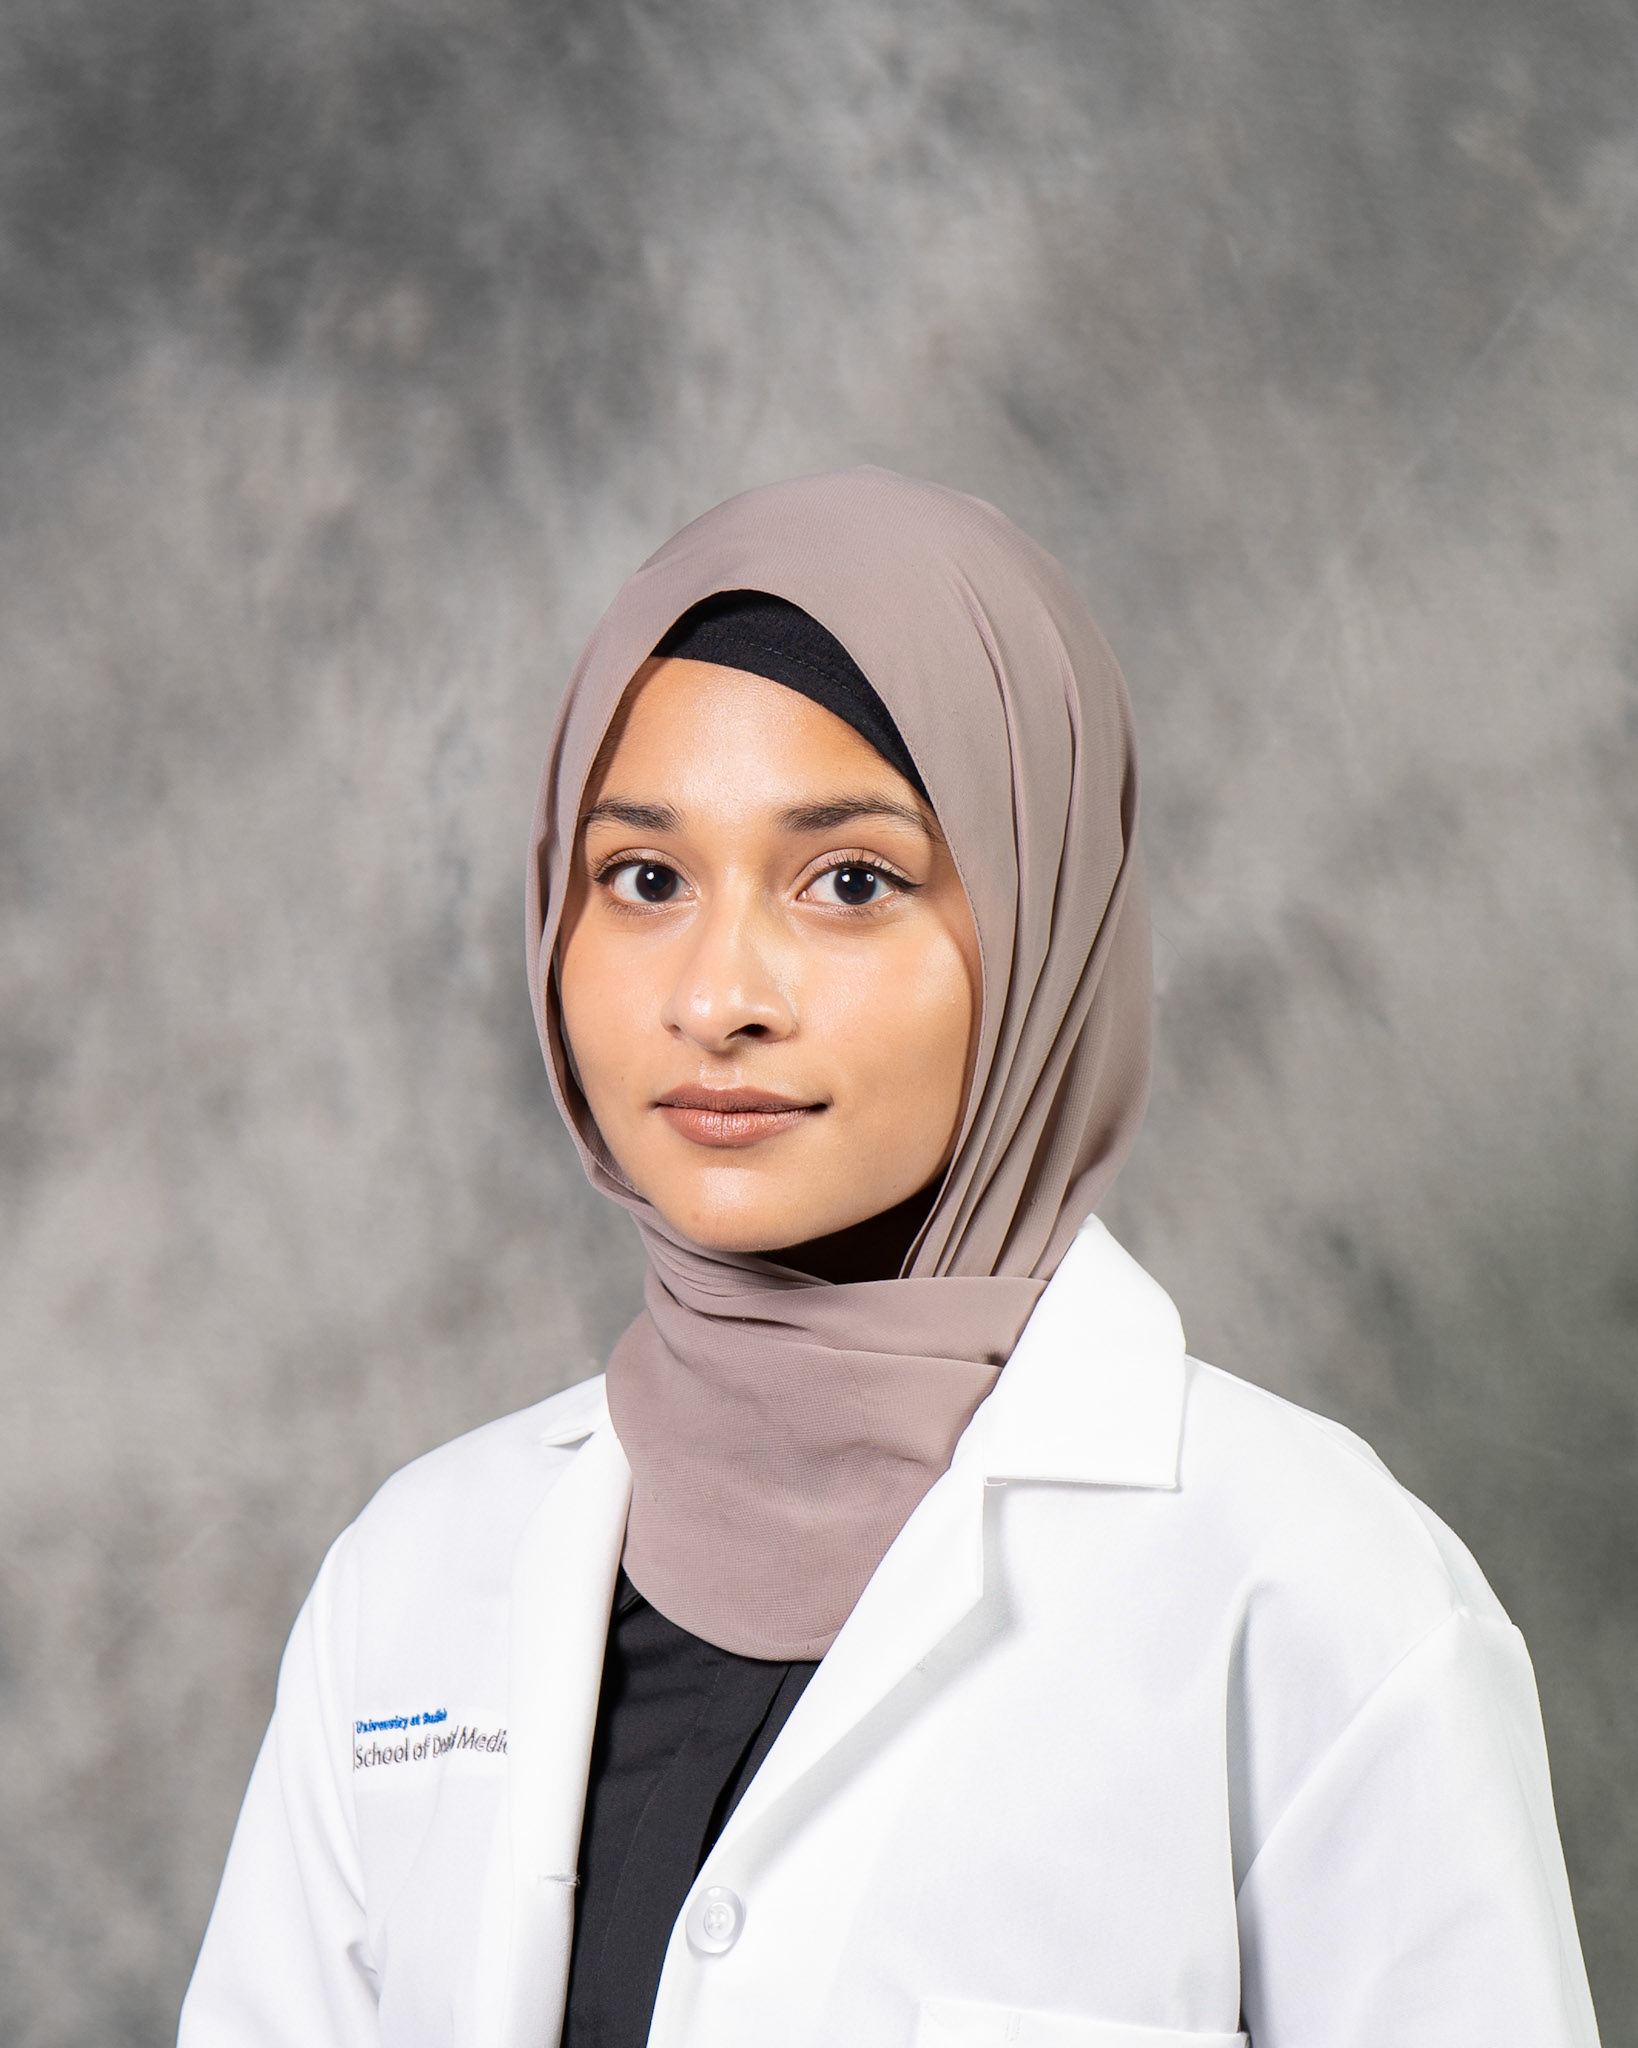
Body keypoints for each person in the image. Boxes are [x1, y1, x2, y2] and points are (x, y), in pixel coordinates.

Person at [180, 468, 1599, 2048]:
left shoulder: (1310, 1585)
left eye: (850, 882)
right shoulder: (412, 1577)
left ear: (1044, 924)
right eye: (643, 880)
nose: (717, 997)